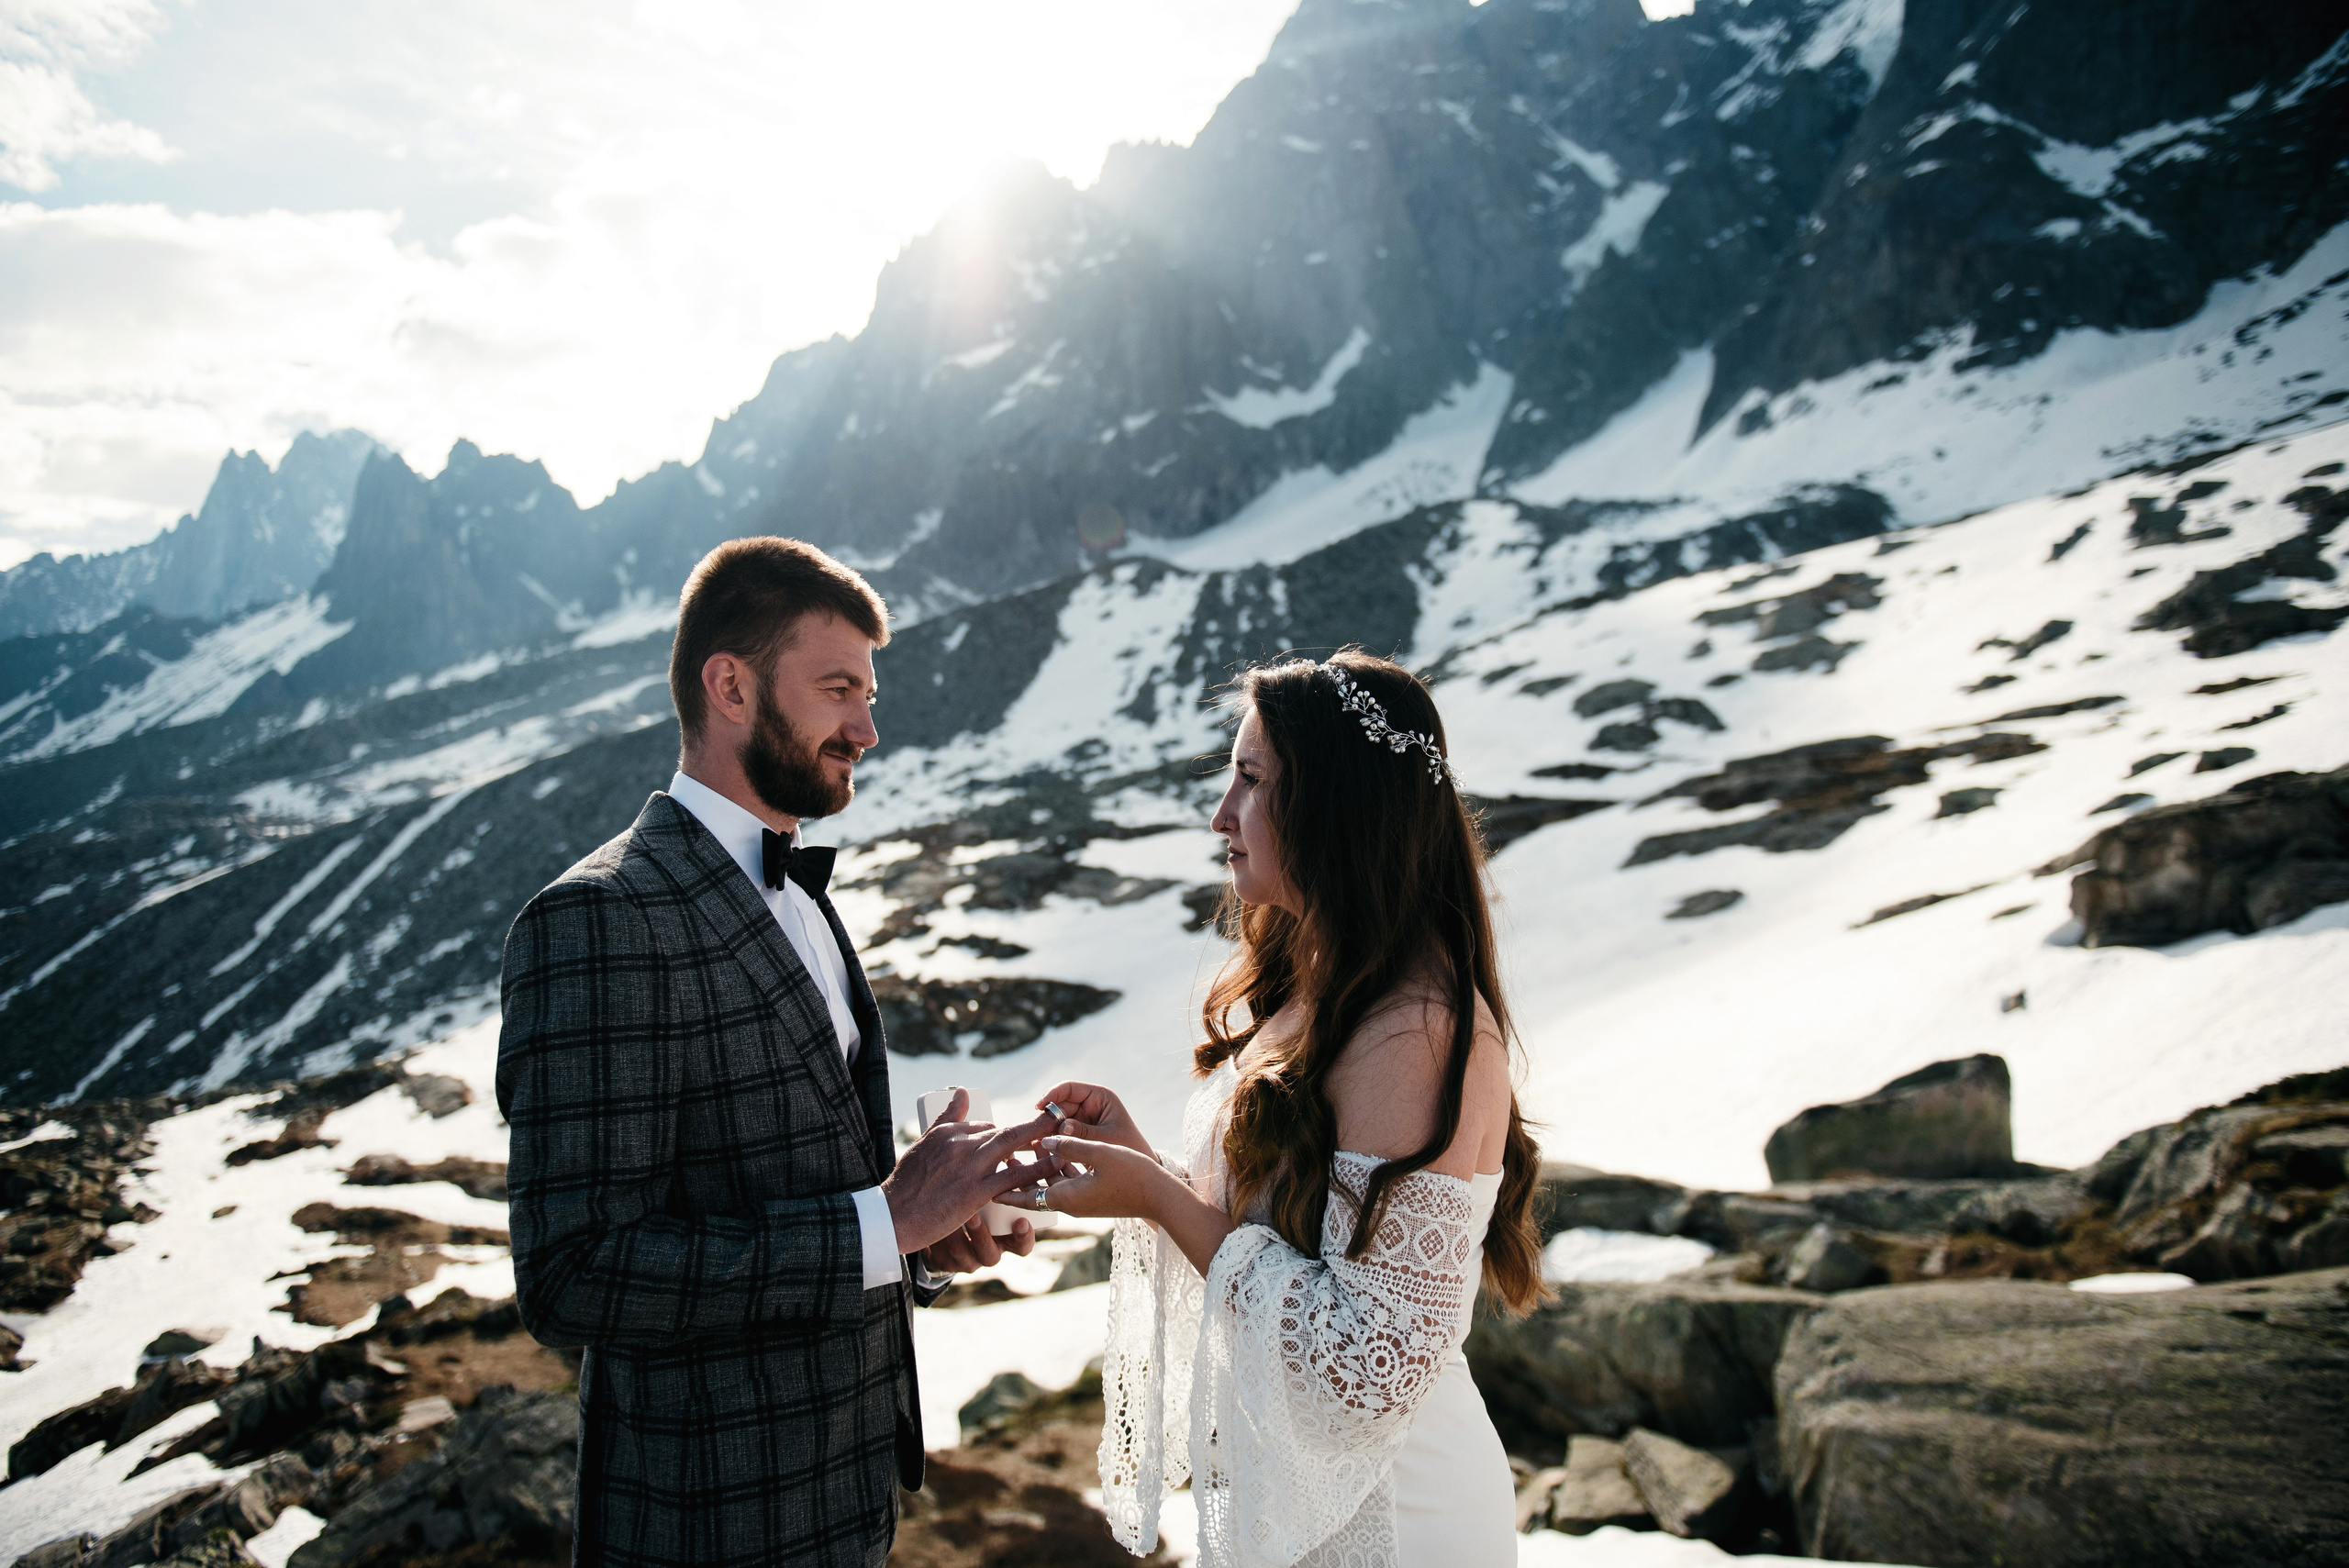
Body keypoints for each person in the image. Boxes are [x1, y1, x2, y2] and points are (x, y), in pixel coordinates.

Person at [497, 537, 1052, 1568]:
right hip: (701, 1528)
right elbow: (571, 1273)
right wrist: (882, 1221)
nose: (868, 727)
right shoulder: (596, 918)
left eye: (869, 692)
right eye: (838, 688)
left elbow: (814, 1198)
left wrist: (921, 1243)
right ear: (730, 685)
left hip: (850, 1513)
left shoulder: (808, 899)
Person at [1008, 650, 1547, 1568]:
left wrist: (1156, 1196)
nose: (1221, 814)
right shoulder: (1313, 987)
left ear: (1337, 806)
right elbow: (1279, 1238)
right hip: (1289, 1497)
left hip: (1399, 1516)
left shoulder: (1415, 1029)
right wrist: (1143, 1161)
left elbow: (1363, 1366)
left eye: (1251, 780)